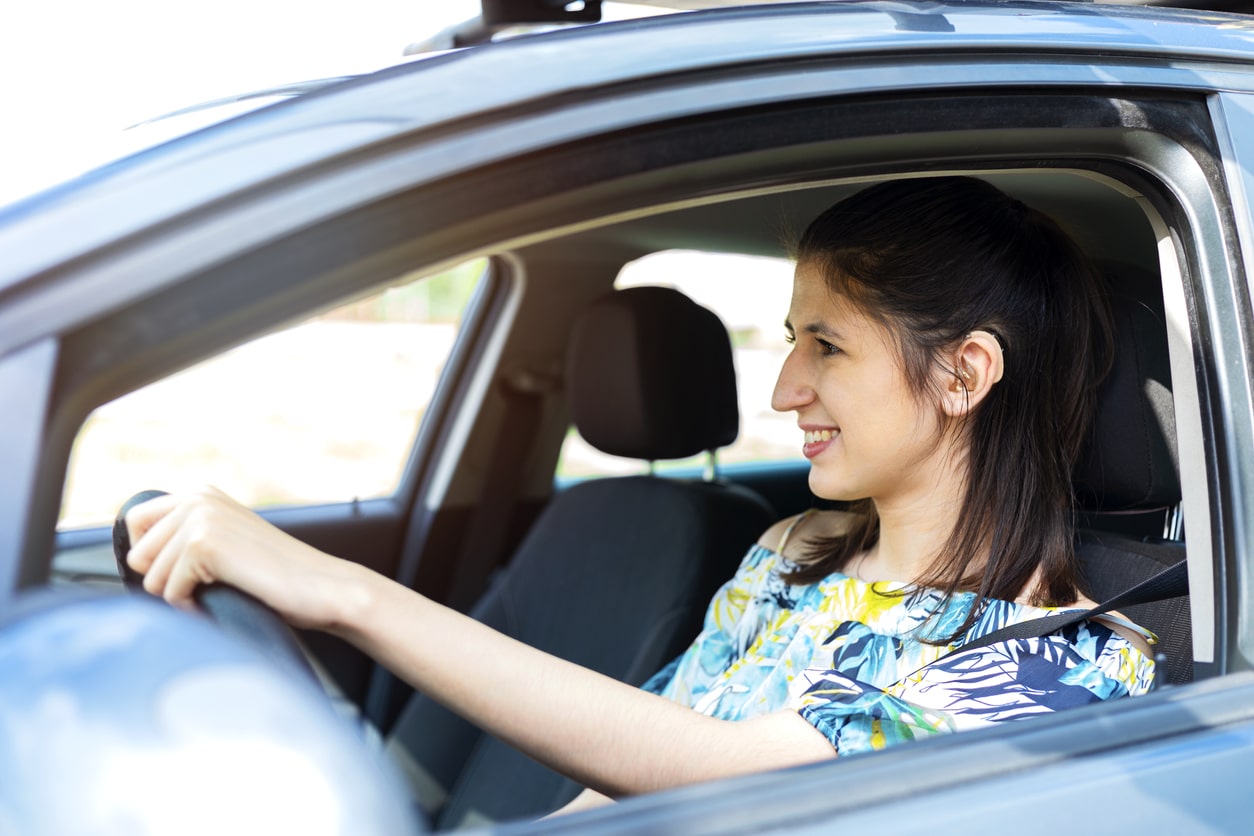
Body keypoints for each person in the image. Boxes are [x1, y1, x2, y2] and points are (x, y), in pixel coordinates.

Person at [123, 176, 1156, 815]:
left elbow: (726, 773)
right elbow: (613, 781)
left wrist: (343, 591)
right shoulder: (796, 553)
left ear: (965, 373)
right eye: (792, 337)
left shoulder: (1060, 662)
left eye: (827, 344)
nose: (784, 388)